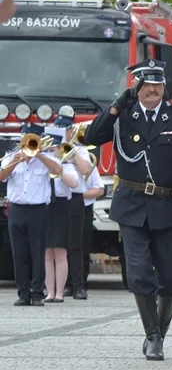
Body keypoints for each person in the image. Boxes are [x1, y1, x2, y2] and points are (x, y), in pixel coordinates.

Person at [83, 59, 172, 361]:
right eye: (146, 85)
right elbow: (93, 137)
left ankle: (157, 332)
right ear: (137, 88)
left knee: (170, 279)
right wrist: (114, 107)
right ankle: (153, 337)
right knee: (138, 275)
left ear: (164, 87)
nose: (152, 90)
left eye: (157, 85)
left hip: (168, 206)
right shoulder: (124, 115)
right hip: (132, 207)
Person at [0, 124, 63, 306]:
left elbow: (58, 171)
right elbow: (2, 177)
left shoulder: (46, 159)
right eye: (25, 140)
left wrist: (40, 155)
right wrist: (15, 162)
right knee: (19, 253)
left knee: (37, 253)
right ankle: (23, 293)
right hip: (17, 210)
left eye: (32, 140)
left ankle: (37, 293)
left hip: (38, 210)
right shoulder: (11, 158)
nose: (28, 144)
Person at [41, 126, 80, 302]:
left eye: (54, 147)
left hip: (61, 207)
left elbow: (73, 184)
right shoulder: (41, 163)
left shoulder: (67, 165)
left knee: (60, 252)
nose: (51, 151)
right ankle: (50, 292)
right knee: (47, 252)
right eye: (48, 148)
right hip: (45, 206)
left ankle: (59, 293)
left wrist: (60, 168)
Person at [59, 111, 94, 300]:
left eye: (66, 128)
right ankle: (61, 284)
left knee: (75, 243)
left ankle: (78, 285)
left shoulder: (80, 149)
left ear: (72, 131)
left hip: (74, 199)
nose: (64, 132)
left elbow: (86, 169)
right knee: (57, 244)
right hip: (56, 200)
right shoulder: (52, 148)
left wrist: (71, 152)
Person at [81, 165, 104, 284]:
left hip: (83, 207)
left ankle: (80, 283)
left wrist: (79, 196)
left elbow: (100, 189)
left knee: (82, 246)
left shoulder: (88, 163)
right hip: (60, 207)